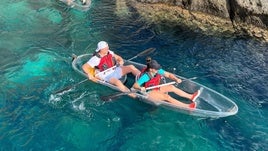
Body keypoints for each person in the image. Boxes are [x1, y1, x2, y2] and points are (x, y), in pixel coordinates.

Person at [132, 57, 200, 109]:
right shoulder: (146, 76)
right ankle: (188, 107)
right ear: (151, 69)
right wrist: (141, 88)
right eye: (156, 68)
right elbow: (135, 85)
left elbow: (168, 74)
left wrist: (175, 79)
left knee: (171, 87)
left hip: (155, 87)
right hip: (148, 92)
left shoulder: (157, 70)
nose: (158, 69)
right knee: (166, 97)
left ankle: (191, 97)